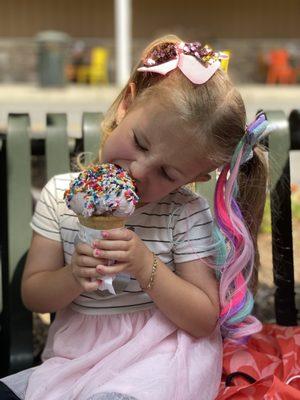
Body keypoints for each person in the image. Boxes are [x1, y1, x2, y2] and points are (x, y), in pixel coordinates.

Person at [0, 35, 268, 400]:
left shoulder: (183, 213)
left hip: (162, 360)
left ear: (194, 178)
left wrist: (146, 266)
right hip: (78, 358)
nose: (140, 170)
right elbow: (35, 296)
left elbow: (203, 318)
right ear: (126, 105)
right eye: (140, 143)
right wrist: (74, 276)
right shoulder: (60, 198)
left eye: (168, 174)